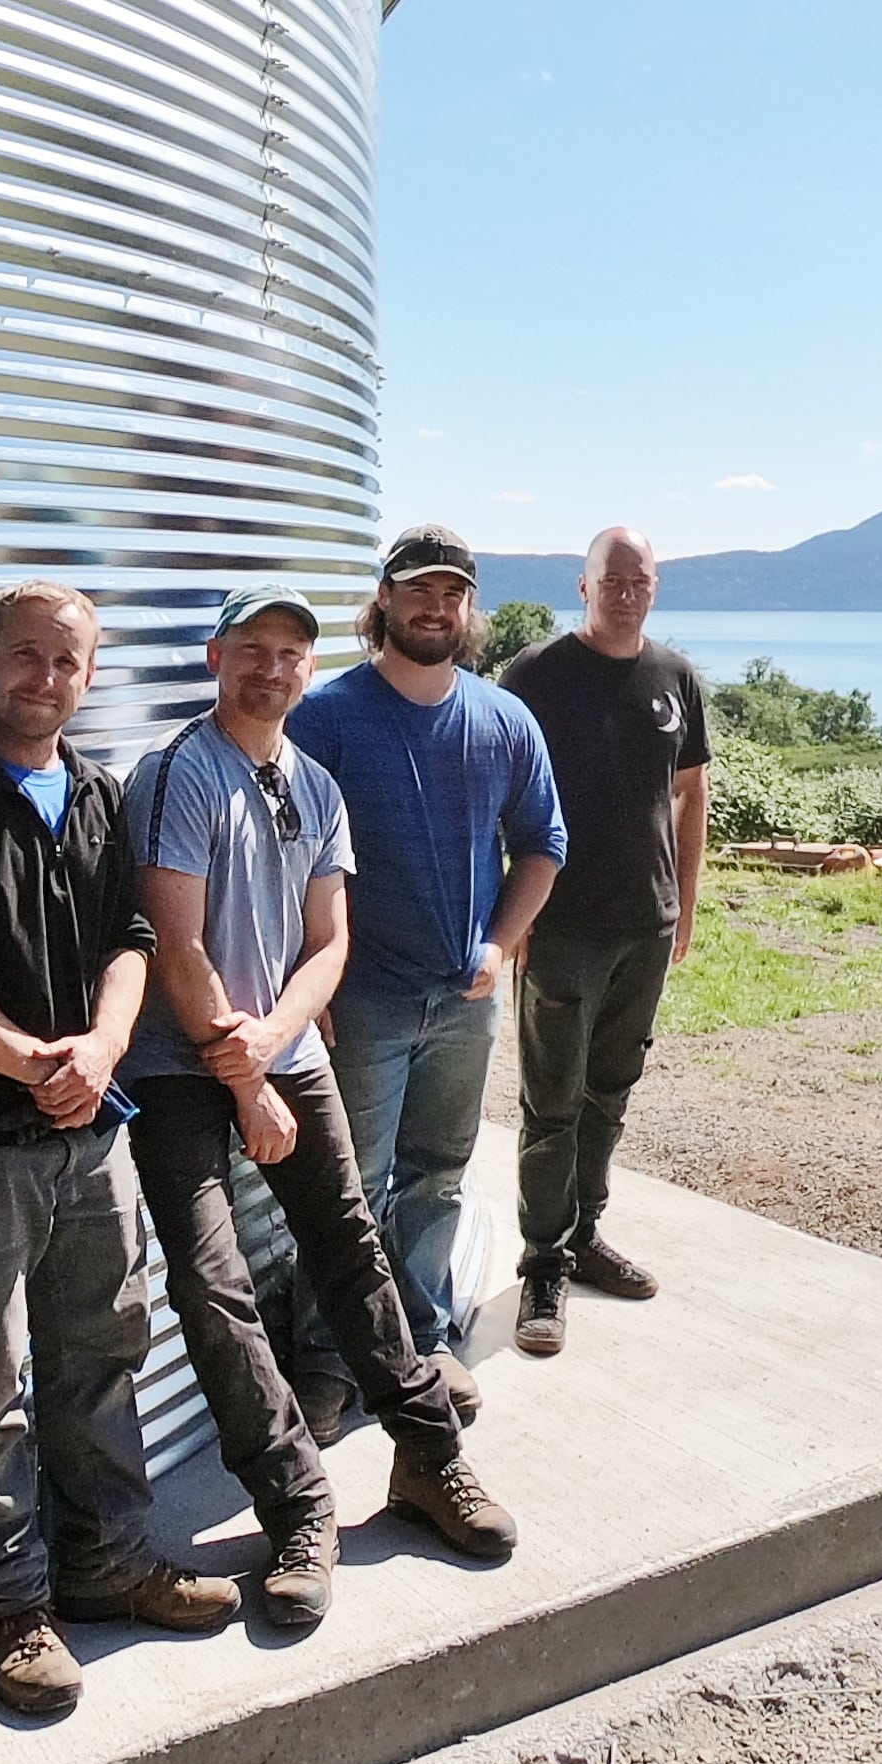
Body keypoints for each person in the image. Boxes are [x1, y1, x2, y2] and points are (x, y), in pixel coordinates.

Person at [0, 582, 238, 1720]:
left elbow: (132, 936)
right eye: (23, 655)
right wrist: (41, 1062)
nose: (44, 677)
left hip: (89, 1137)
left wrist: (106, 1045)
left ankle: (108, 1561)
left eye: (66, 660)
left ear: (89, 674)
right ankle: (8, 1602)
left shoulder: (96, 796)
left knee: (101, 1350)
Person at [121, 583, 520, 1605]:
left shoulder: (315, 784)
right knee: (212, 1286)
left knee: (350, 1242)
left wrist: (279, 1038)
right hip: (182, 1068)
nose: (272, 667)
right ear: (215, 658)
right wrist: (245, 1068)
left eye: (291, 652)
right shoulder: (179, 773)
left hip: (281, 1054)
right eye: (251, 648)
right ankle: (300, 1505)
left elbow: (329, 940)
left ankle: (428, 1458)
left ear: (308, 669)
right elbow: (176, 945)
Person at [285, 527, 565, 1432]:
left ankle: (425, 1336)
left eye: (452, 593)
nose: (435, 606)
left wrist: (498, 944)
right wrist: (308, 983)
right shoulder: (326, 718)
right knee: (349, 1189)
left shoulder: (503, 719)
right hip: (360, 999)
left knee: (438, 1176)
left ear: (469, 609)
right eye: (418, 590)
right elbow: (281, 857)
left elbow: (544, 845)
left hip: (464, 998)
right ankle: (329, 1363)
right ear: (384, 601)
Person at [497, 527, 711, 1358]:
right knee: (551, 1100)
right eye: (611, 579)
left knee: (611, 1088)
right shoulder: (536, 675)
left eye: (641, 580)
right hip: (562, 923)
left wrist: (685, 906)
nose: (627, 592)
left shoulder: (675, 677)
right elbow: (498, 798)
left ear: (655, 587)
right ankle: (542, 1263)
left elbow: (691, 794)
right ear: (581, 587)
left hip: (644, 922)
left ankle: (585, 1233)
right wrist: (508, 919)